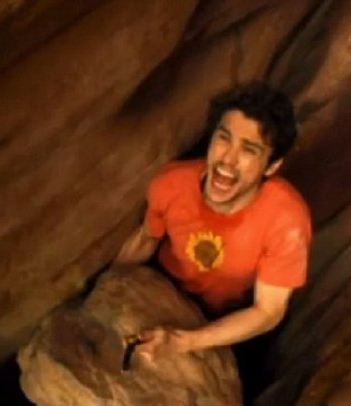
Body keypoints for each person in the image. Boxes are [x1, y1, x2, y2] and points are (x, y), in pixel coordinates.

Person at [115, 81, 312, 366]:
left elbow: (268, 311)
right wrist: (106, 286)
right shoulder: (172, 183)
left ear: (271, 166)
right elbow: (146, 238)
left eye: (249, 150)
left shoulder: (286, 220)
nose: (228, 160)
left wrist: (185, 341)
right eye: (223, 138)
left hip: (231, 319)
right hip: (166, 290)